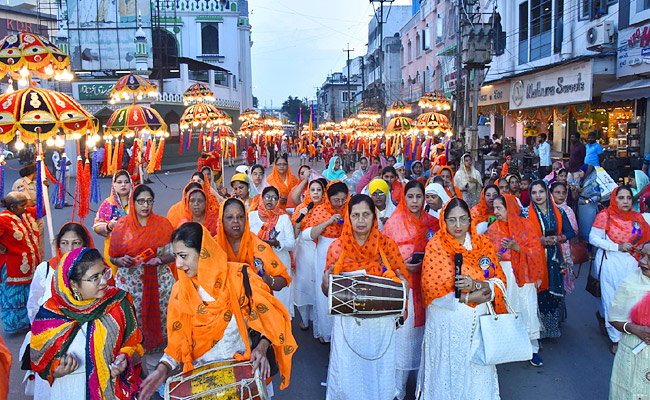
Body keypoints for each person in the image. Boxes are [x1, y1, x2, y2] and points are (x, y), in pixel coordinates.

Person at [138, 223, 297, 400]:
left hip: (244, 381)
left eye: (183, 256)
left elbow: (272, 318)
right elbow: (177, 342)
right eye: (176, 256)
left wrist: (261, 347)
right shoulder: (180, 291)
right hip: (206, 386)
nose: (178, 264)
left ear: (204, 252)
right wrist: (162, 369)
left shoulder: (239, 277)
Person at [419, 198, 507, 400]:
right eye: (452, 220)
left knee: (476, 373)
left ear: (470, 219)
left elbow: (499, 279)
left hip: (478, 324)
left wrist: (479, 286)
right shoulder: (436, 247)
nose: (458, 226)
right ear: (444, 221)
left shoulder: (483, 244)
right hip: (447, 326)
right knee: (449, 372)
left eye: (463, 219)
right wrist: (467, 297)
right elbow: (431, 291)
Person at [320, 194, 406, 400]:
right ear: (348, 218)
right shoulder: (337, 248)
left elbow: (402, 278)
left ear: (374, 217)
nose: (360, 220)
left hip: (381, 326)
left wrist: (404, 303)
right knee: (348, 374)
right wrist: (325, 280)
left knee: (378, 373)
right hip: (349, 327)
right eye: (355, 215)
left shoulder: (387, 246)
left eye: (366, 214)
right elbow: (328, 292)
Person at [30, 248, 143, 400]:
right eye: (94, 277)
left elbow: (134, 342)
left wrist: (125, 358)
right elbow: (40, 360)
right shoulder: (50, 316)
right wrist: (56, 370)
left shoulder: (118, 303)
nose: (104, 281)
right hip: (70, 391)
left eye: (104, 273)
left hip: (114, 390)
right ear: (73, 284)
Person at [382, 182, 438, 400]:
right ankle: (398, 389)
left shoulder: (432, 223)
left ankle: (423, 390)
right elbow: (383, 260)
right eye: (411, 196)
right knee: (403, 341)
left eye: (419, 196)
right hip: (403, 291)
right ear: (404, 198)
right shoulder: (393, 223)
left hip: (428, 290)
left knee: (425, 341)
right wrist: (403, 266)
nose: (415, 201)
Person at [25, 222, 94, 398]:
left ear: (85, 244)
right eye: (64, 243)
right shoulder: (46, 269)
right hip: (51, 347)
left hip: (86, 348)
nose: (69, 248)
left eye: (76, 243)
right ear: (58, 245)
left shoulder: (96, 272)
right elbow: (33, 307)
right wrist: (48, 338)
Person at [108, 185, 176, 357]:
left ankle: (165, 356)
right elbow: (112, 256)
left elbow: (175, 253)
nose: (145, 205)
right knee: (133, 319)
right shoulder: (123, 226)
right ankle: (136, 356)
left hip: (160, 283)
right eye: (141, 201)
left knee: (165, 316)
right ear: (133, 202)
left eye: (149, 201)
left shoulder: (163, 224)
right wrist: (120, 261)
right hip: (132, 285)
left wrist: (159, 260)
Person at [486, 194, 546, 366]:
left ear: (510, 208)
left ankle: (531, 349)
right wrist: (493, 257)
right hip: (504, 274)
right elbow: (486, 254)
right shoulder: (493, 229)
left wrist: (516, 247)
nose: (496, 211)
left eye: (500, 208)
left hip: (524, 273)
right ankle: (509, 348)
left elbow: (535, 251)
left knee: (526, 306)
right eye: (494, 208)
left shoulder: (525, 225)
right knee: (508, 306)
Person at [590, 186, 650, 354]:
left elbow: (646, 237)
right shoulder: (605, 216)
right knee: (612, 299)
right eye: (621, 198)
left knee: (631, 298)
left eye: (628, 198)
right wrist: (616, 246)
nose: (625, 201)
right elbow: (593, 238)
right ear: (614, 199)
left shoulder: (638, 218)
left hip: (633, 262)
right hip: (611, 262)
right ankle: (615, 338)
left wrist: (640, 248)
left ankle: (629, 331)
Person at [528, 180, 575, 351]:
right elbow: (521, 238)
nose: (538, 196)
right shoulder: (526, 214)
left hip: (554, 259)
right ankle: (537, 330)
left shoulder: (559, 212)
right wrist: (538, 241)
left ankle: (551, 328)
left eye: (541, 192)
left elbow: (570, 232)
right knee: (537, 294)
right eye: (534, 193)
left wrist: (558, 238)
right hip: (534, 260)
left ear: (547, 193)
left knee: (553, 293)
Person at [303, 180, 349, 343]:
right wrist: (329, 222)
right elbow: (310, 235)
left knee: (343, 292)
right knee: (324, 293)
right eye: (336, 200)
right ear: (328, 198)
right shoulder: (320, 211)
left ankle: (341, 332)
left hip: (345, 255)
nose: (340, 203)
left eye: (343, 199)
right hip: (324, 254)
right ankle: (325, 330)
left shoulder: (349, 210)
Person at [215, 198, 291, 292]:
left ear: (246, 219)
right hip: (222, 303)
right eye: (229, 217)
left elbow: (283, 279)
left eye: (240, 217)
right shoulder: (213, 246)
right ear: (221, 220)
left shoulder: (258, 246)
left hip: (255, 303)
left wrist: (268, 280)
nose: (235, 221)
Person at [607, 242, 650, 399]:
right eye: (642, 255)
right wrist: (634, 329)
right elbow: (613, 317)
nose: (643, 261)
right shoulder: (632, 282)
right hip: (631, 353)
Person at [248, 186, 296, 314]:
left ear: (278, 201)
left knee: (281, 301)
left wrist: (277, 243)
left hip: (279, 263)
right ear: (262, 198)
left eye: (274, 198)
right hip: (257, 264)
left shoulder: (283, 218)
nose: (270, 200)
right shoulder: (251, 217)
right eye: (267, 197)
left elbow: (291, 243)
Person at [0, 191, 40, 333]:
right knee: (14, 296)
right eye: (22, 205)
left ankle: (28, 321)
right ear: (12, 206)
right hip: (13, 267)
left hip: (30, 265)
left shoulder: (25, 215)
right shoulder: (3, 219)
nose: (25, 208)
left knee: (30, 294)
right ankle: (15, 325)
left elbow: (41, 209)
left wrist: (43, 190)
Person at [292, 178, 327, 330]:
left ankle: (316, 320)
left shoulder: (327, 209)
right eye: (312, 190)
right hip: (303, 252)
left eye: (319, 190)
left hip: (319, 251)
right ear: (308, 192)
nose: (316, 193)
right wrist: (300, 218)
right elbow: (294, 233)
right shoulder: (301, 208)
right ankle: (305, 320)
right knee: (303, 284)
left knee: (317, 285)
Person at [94, 170, 132, 273]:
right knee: (114, 283)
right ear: (114, 184)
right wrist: (109, 227)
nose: (123, 185)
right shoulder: (107, 204)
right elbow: (97, 226)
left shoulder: (137, 202)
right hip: (113, 251)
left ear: (131, 183)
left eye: (126, 182)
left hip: (134, 249)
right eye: (119, 182)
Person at [12, 163, 46, 258]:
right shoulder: (20, 183)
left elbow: (44, 200)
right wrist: (37, 202)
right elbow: (27, 202)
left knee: (40, 246)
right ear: (34, 172)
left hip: (37, 216)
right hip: (25, 217)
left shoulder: (36, 184)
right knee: (29, 245)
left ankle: (40, 266)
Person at [550, 182, 579, 273]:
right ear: (551, 193)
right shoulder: (547, 209)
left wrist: (562, 237)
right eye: (557, 192)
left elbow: (574, 231)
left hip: (564, 247)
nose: (561, 195)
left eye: (563, 193)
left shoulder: (568, 210)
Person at [576, 164, 601, 241]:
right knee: (582, 225)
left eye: (581, 171)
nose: (579, 173)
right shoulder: (583, 181)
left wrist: (587, 201)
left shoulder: (593, 182)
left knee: (588, 227)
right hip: (582, 207)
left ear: (586, 172)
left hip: (589, 208)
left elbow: (598, 196)